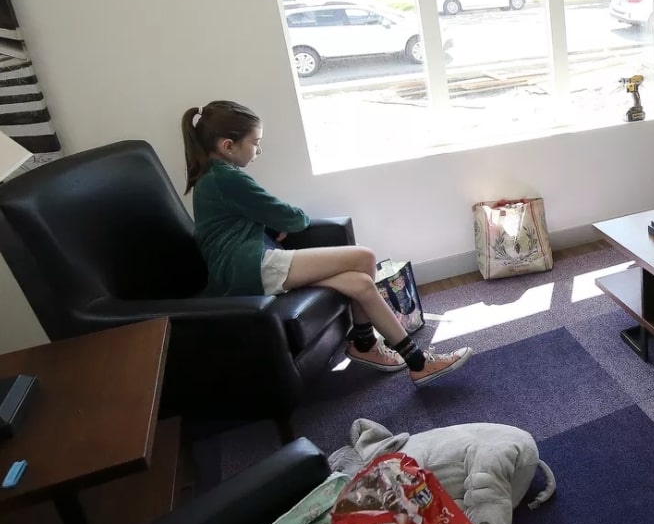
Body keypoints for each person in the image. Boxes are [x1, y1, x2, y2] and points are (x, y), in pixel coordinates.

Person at [181, 101, 471, 385]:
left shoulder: (213, 177)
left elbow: (246, 217)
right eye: (255, 143)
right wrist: (281, 221)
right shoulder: (226, 178)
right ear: (228, 146)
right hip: (247, 269)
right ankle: (369, 345)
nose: (258, 151)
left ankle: (406, 358)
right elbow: (294, 218)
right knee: (364, 258)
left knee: (360, 282)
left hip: (246, 264)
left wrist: (271, 222)